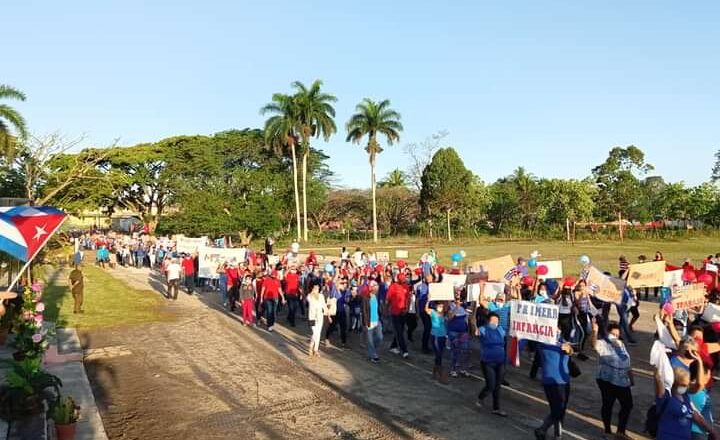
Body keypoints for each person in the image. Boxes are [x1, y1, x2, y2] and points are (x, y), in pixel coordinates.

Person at [591, 320, 633, 439]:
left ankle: (621, 430)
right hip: (607, 380)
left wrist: (631, 378)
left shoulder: (621, 344)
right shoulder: (603, 343)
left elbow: (627, 362)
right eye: (613, 334)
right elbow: (593, 345)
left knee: (628, 405)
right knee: (608, 404)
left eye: (617, 335)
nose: (615, 337)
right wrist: (594, 331)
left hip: (622, 381)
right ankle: (607, 430)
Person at [654, 367, 715, 440]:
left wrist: (712, 432)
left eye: (687, 384)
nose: (687, 387)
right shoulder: (666, 396)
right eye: (683, 385)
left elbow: (696, 416)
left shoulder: (685, 397)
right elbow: (658, 378)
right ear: (675, 383)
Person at [534, 334, 573, 440]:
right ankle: (544, 430)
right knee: (557, 410)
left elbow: (571, 351)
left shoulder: (563, 340)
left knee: (561, 410)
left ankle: (555, 434)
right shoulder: (542, 341)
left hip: (564, 380)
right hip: (550, 380)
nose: (557, 330)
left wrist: (568, 350)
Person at [477, 312, 508, 417]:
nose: (495, 322)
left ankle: (496, 408)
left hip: (500, 362)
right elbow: (476, 332)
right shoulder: (483, 329)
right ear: (488, 321)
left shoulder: (500, 329)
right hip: (487, 362)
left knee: (497, 386)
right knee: (491, 385)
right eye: (492, 320)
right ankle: (481, 397)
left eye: (496, 320)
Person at [386, 273, 410, 358]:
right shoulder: (393, 286)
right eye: (401, 279)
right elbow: (388, 298)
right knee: (399, 331)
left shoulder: (406, 286)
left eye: (404, 279)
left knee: (401, 330)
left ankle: (393, 346)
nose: (403, 280)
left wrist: (407, 308)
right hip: (395, 312)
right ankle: (404, 350)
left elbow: (408, 298)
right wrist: (386, 309)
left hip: (403, 312)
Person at [425, 299, 448, 383]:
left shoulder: (444, 314)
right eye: (439, 306)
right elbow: (426, 309)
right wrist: (428, 300)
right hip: (435, 335)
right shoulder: (433, 312)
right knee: (438, 354)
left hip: (443, 336)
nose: (441, 307)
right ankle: (441, 374)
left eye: (442, 306)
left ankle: (435, 372)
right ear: (436, 306)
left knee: (440, 354)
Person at [447, 294, 470, 377]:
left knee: (465, 350)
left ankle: (463, 369)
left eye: (460, 299)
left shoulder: (464, 307)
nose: (458, 300)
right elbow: (450, 318)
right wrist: (456, 307)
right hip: (454, 332)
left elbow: (467, 318)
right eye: (457, 298)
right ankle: (453, 369)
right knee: (454, 351)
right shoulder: (450, 306)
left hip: (463, 332)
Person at [362, 281, 383, 363]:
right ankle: (373, 355)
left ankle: (371, 350)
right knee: (370, 340)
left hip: (377, 320)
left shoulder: (377, 296)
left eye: (377, 286)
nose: (377, 288)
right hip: (369, 321)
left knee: (380, 337)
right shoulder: (365, 298)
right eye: (375, 286)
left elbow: (378, 308)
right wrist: (365, 323)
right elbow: (364, 311)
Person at [307, 285, 328, 357]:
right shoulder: (310, 296)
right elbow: (309, 300)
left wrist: (327, 314)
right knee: (315, 333)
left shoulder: (321, 296)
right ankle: (310, 347)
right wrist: (312, 293)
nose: (317, 290)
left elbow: (324, 305)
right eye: (315, 288)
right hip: (312, 317)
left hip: (320, 316)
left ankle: (316, 349)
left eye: (318, 288)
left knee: (318, 334)